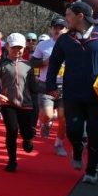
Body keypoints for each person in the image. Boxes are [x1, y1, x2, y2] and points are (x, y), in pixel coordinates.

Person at [45, 0, 98, 184]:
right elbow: (53, 63)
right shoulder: (65, 40)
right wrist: (50, 85)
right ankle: (77, 149)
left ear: (80, 16)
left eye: (68, 15)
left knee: (95, 133)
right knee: (73, 131)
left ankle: (91, 171)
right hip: (73, 95)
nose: (66, 19)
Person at [0, 33, 40, 172]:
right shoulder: (1, 65)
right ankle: (12, 160)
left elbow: (34, 87)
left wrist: (47, 89)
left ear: (24, 48)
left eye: (19, 48)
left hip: (26, 104)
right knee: (12, 130)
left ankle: (28, 139)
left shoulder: (28, 65)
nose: (17, 50)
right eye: (14, 47)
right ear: (7, 47)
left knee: (26, 132)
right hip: (8, 103)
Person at [30, 16, 68, 156]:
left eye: (61, 28)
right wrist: (45, 62)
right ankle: (45, 122)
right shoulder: (43, 45)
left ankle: (59, 144)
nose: (57, 30)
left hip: (65, 86)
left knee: (64, 117)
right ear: (51, 29)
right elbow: (33, 63)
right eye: (55, 27)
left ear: (66, 29)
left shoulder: (72, 44)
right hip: (46, 85)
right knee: (47, 115)